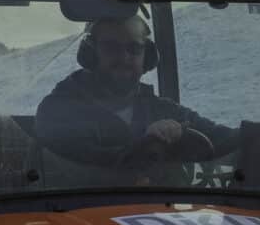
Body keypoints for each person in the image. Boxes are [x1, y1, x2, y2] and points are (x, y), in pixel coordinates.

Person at [34, 12, 236, 187]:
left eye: (134, 49)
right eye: (111, 48)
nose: (124, 58)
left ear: (147, 57)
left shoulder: (161, 109)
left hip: (157, 219)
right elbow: (86, 167)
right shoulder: (57, 111)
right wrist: (147, 144)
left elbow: (223, 138)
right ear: (90, 54)